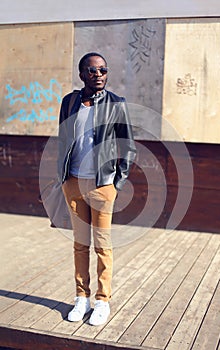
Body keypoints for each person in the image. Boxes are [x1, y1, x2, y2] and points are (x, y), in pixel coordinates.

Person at [57, 52, 136, 326]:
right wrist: (63, 177)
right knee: (81, 245)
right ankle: (82, 298)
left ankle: (102, 301)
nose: (99, 75)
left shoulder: (117, 104)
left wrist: (117, 183)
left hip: (102, 186)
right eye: (92, 71)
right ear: (82, 75)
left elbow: (128, 146)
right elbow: (63, 139)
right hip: (74, 184)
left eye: (103, 70)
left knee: (103, 246)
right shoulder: (69, 102)